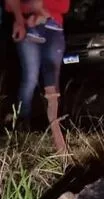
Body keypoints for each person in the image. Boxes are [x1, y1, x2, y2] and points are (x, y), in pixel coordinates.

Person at [6, 0, 69, 153]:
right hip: (29, 29)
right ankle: (22, 128)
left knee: (52, 81)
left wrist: (41, 6)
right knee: (30, 78)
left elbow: (64, 6)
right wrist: (22, 18)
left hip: (53, 28)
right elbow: (10, 4)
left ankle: (57, 131)